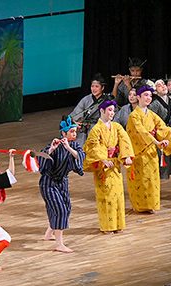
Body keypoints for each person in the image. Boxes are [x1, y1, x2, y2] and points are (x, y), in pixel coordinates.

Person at [126, 85, 171, 213]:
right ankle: (139, 206)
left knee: (152, 179)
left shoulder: (151, 114)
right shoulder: (134, 116)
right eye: (145, 95)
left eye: (150, 95)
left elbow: (162, 127)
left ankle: (151, 205)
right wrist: (157, 142)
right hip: (139, 151)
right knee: (141, 180)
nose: (148, 98)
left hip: (151, 152)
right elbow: (141, 132)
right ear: (138, 97)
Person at [83, 99, 134, 233]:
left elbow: (124, 140)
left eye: (113, 110)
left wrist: (126, 155)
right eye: (110, 110)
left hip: (115, 164)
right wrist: (102, 159)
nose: (112, 113)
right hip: (103, 167)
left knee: (118, 195)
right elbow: (93, 147)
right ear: (102, 111)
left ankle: (118, 224)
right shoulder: (96, 129)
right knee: (106, 196)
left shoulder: (117, 127)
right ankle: (107, 226)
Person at [39, 115, 85, 252]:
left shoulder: (74, 145)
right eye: (71, 132)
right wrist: (51, 150)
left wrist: (69, 148)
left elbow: (80, 156)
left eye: (75, 131)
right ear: (63, 133)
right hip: (49, 183)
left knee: (67, 207)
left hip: (62, 182)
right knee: (60, 209)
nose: (74, 134)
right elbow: (42, 163)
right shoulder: (54, 146)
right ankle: (59, 244)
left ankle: (48, 234)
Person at [69, 73, 109, 146]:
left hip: (99, 128)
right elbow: (75, 114)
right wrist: (74, 121)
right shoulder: (86, 99)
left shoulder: (107, 101)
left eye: (97, 86)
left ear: (102, 88)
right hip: (84, 128)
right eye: (92, 86)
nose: (94, 89)